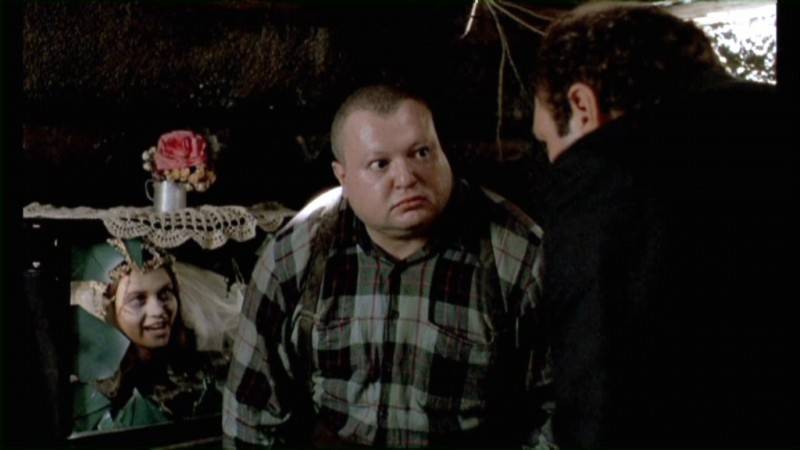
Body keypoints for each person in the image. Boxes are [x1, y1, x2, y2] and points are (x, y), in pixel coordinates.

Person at [224, 85, 554, 448]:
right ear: (343, 177)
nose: (407, 177)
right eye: (380, 164)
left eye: (421, 153)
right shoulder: (297, 253)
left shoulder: (517, 255)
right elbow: (250, 412)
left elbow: (558, 414)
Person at [532, 3, 796, 448]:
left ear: (582, 106)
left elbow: (604, 407)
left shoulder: (605, 180)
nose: (553, 159)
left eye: (547, 141)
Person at [70, 238, 223, 432]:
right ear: (108, 310)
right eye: (137, 299)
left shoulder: (203, 370)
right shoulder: (95, 395)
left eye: (165, 293)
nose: (158, 311)